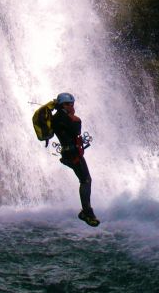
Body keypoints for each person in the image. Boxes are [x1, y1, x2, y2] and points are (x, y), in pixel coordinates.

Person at [51, 92, 100, 227]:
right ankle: (87, 213)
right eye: (68, 104)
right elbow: (76, 129)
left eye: (72, 104)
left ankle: (86, 211)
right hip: (72, 154)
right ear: (62, 105)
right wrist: (73, 115)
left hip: (69, 153)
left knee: (85, 180)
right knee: (86, 180)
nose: (71, 106)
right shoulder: (64, 118)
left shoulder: (56, 117)